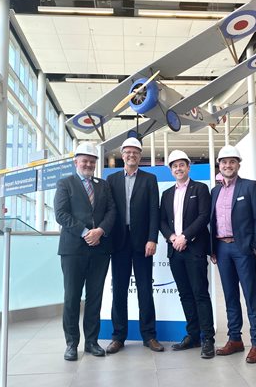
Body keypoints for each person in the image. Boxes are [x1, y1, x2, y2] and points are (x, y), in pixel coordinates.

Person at [54, 142, 116, 361]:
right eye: (84, 160)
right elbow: (60, 214)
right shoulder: (65, 183)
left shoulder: (103, 185)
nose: (88, 164)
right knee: (72, 297)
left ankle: (92, 341)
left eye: (92, 161)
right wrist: (84, 232)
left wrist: (99, 231)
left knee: (95, 297)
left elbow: (112, 211)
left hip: (100, 250)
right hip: (73, 250)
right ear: (76, 162)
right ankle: (72, 343)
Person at [105, 137, 164, 353]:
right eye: (128, 152)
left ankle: (149, 336)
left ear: (140, 156)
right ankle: (118, 336)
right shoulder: (111, 180)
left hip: (142, 243)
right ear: (122, 155)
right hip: (118, 242)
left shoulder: (150, 179)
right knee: (119, 291)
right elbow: (108, 210)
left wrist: (152, 238)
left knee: (145, 290)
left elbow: (154, 211)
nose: (131, 155)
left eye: (135, 152)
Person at [210, 145, 256, 364]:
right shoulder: (215, 191)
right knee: (230, 296)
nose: (227, 165)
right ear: (219, 166)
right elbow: (211, 221)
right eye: (224, 162)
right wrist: (212, 249)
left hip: (243, 249)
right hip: (222, 249)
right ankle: (235, 339)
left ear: (238, 164)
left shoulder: (250, 187)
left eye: (232, 162)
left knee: (251, 296)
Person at [160, 150, 215, 359]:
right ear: (171, 170)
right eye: (174, 166)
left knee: (200, 294)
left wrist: (185, 237)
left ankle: (207, 338)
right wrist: (173, 238)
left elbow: (203, 217)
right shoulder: (166, 194)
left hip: (194, 249)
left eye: (182, 165)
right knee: (185, 295)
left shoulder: (200, 189)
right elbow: (161, 221)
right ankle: (193, 335)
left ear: (188, 167)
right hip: (175, 251)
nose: (178, 169)